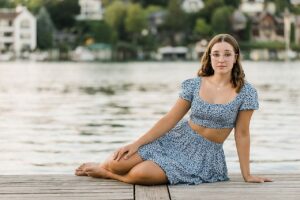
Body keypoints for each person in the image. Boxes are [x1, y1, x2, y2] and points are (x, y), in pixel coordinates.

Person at [75, 33, 272, 185]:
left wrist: (247, 174)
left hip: (204, 155)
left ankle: (106, 174)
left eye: (227, 54)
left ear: (235, 57)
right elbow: (170, 119)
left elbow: (243, 134)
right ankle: (107, 168)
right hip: (177, 138)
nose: (222, 59)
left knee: (141, 174)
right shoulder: (194, 85)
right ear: (209, 57)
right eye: (216, 54)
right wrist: (136, 144)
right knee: (117, 162)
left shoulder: (246, 92)